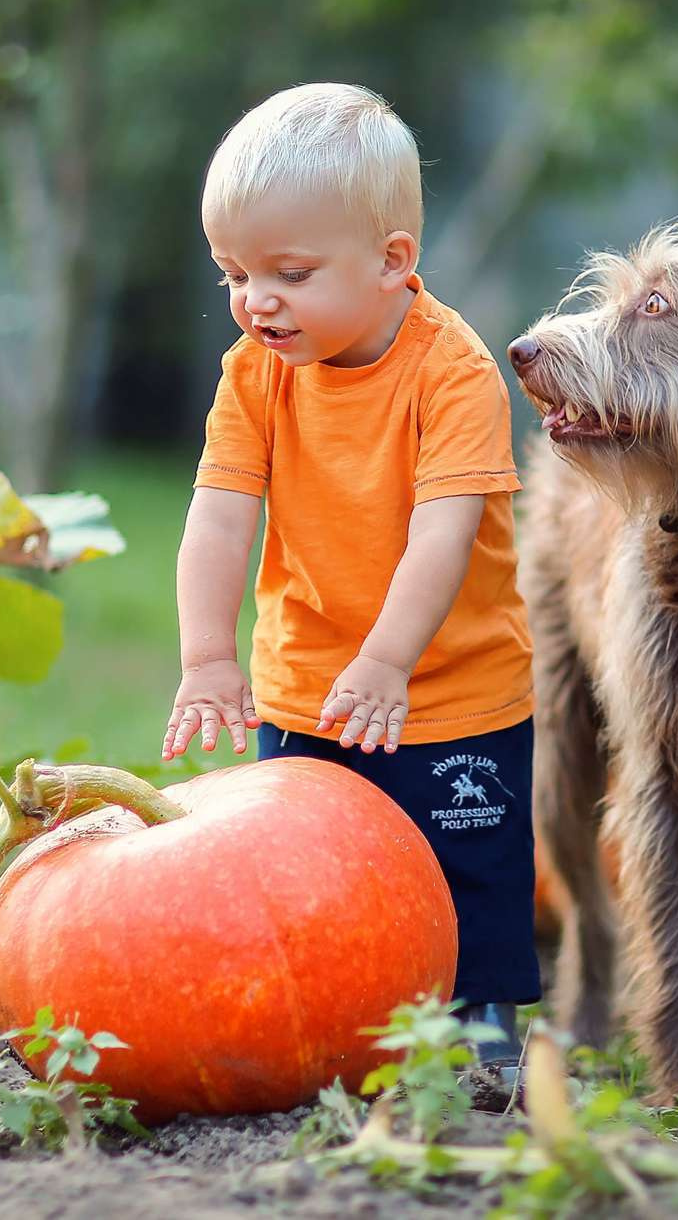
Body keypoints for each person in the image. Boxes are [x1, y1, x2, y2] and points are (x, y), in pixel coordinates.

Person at [161, 82, 538, 1075]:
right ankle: (332, 1010)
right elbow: (220, 514)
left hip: (450, 685)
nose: (256, 299)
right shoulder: (253, 372)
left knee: (467, 859)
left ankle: (478, 1018)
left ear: (391, 261)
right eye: (233, 273)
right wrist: (206, 657)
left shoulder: (451, 373)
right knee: (309, 861)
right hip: (310, 680)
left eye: (289, 273)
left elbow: (443, 533)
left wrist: (387, 661)